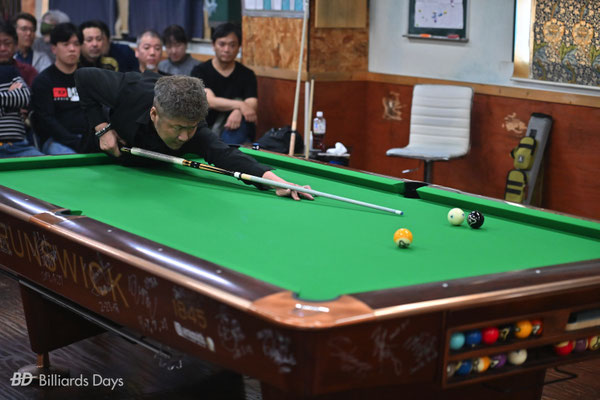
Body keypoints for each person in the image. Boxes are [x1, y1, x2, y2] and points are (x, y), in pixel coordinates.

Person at [74, 68, 312, 200]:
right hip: (105, 159)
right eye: (177, 128)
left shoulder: (195, 129)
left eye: (192, 127)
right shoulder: (129, 91)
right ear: (154, 114)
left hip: (160, 178)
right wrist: (102, 128)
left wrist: (276, 182)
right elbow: (83, 77)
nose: (184, 137)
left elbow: (225, 155)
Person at [191, 23, 257, 145]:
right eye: (222, 44)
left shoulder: (247, 74)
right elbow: (210, 101)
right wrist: (241, 105)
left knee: (236, 134)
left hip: (237, 128)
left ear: (239, 47)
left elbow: (252, 103)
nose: (226, 49)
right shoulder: (200, 71)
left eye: (232, 45)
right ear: (213, 45)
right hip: (206, 127)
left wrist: (238, 111)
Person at [31, 23, 88, 155]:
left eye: (76, 44)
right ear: (54, 49)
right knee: (72, 159)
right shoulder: (43, 81)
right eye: (66, 44)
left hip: (89, 139)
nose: (72, 49)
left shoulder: (89, 78)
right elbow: (47, 121)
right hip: (55, 141)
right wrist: (76, 142)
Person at [0, 22, 43, 158]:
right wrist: (10, 99)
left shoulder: (13, 71)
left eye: (7, 43)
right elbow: (17, 99)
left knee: (47, 165)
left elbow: (24, 96)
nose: (2, 48)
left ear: (15, 45)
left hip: (18, 146)